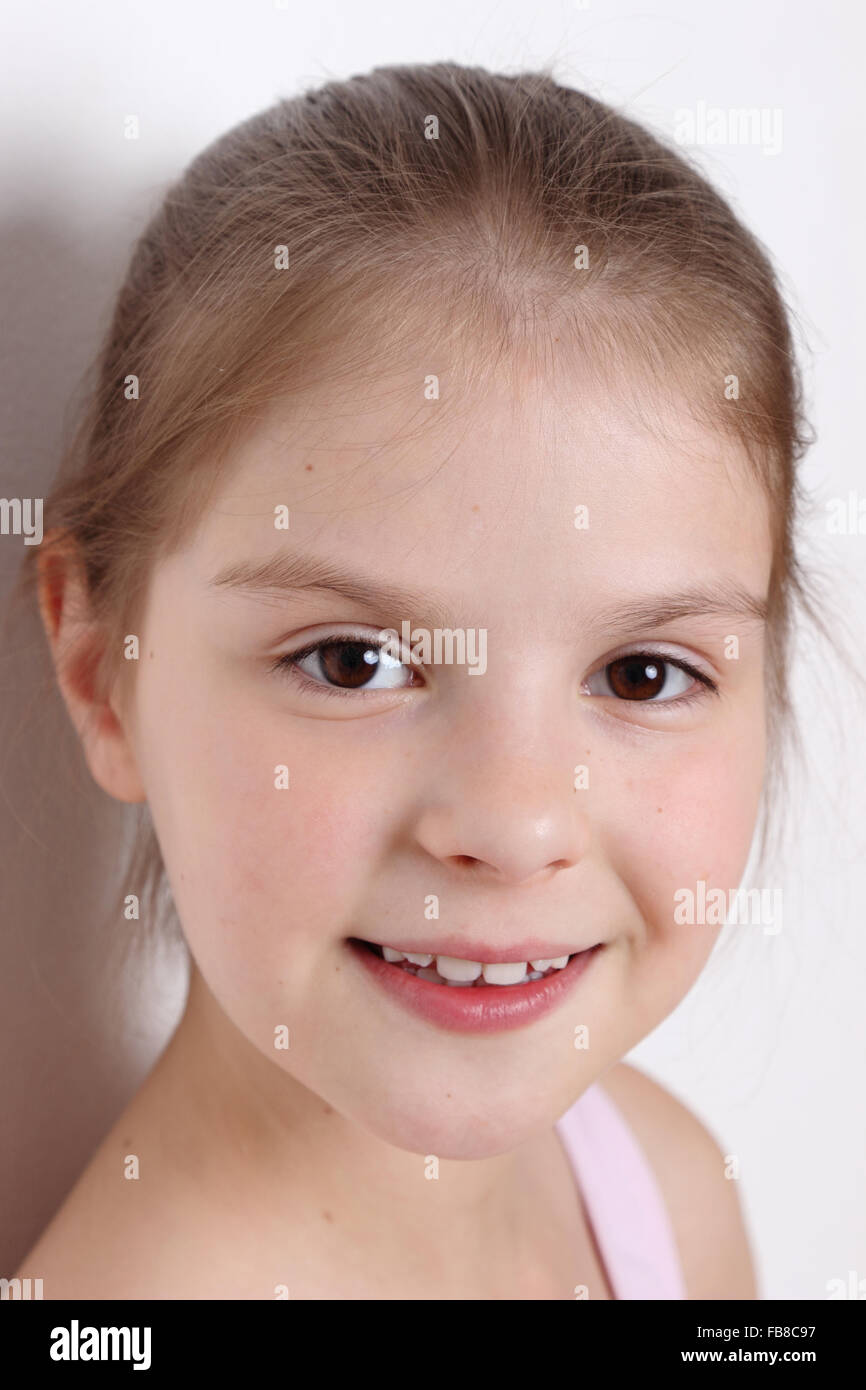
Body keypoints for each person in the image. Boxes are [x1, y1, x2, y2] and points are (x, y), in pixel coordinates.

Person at [13, 61, 814, 1299]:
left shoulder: (659, 1189)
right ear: (98, 667)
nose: (512, 824)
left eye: (641, 673)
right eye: (353, 662)